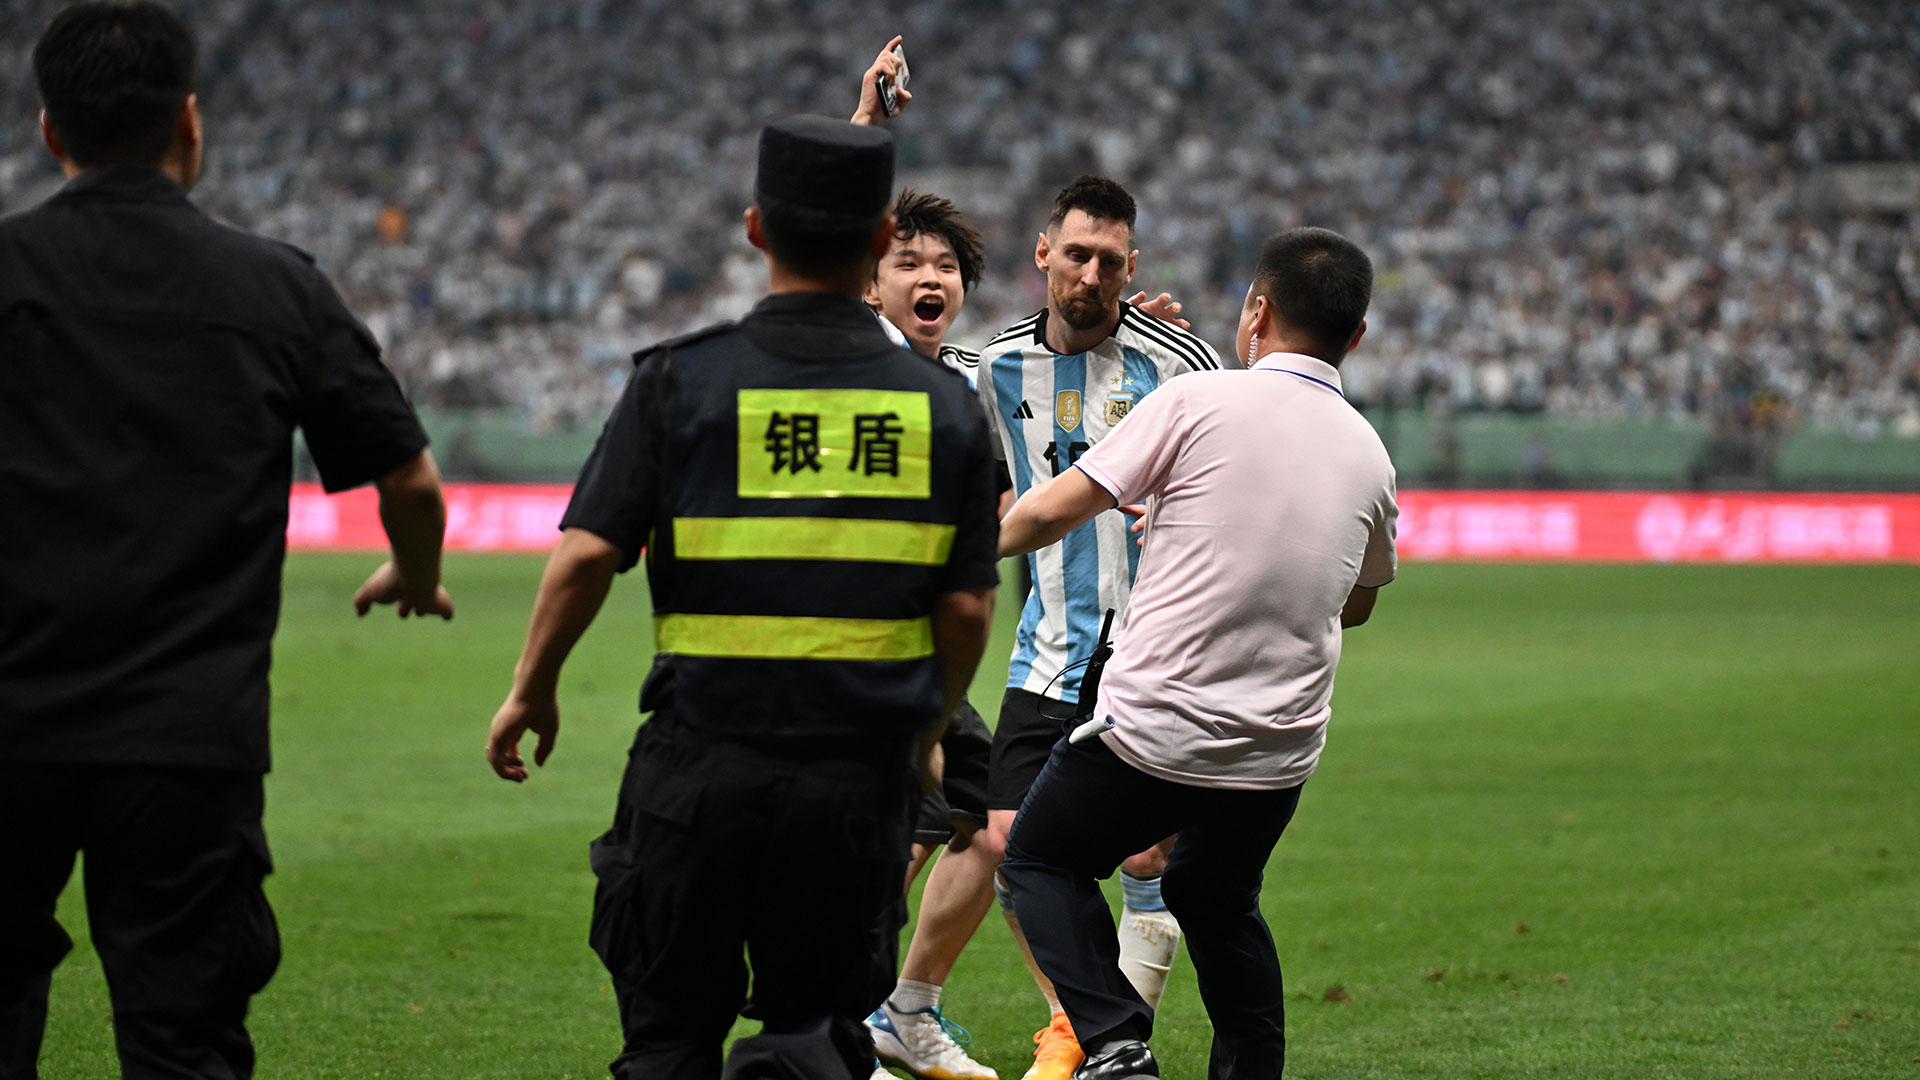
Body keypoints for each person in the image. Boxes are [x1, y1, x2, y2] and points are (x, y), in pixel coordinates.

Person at [482, 115, 1001, 1080]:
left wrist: (533, 685)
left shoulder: (680, 380)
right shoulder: (944, 410)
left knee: (668, 1041)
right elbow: (968, 609)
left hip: (695, 778)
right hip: (852, 788)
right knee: (815, 1041)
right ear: (883, 238)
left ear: (756, 229)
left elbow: (588, 552)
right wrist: (926, 725)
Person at [0, 3, 452, 1077]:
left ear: (52, 132)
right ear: (190, 124)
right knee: (185, 1034)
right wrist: (417, 572)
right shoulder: (273, 286)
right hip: (185, 743)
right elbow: (410, 477)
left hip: (8, 725)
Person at [995, 227, 1398, 1080]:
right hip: (1275, 753)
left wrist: (954, 552)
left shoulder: (1198, 401)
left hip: (1156, 732)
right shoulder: (1370, 454)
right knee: (1215, 899)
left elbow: (1049, 511)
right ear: (1355, 338)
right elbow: (1356, 601)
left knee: (1037, 859)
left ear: (1257, 313)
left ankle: (1112, 1043)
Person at [971, 174, 1224, 1080]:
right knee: (1011, 847)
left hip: (1152, 646)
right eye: (1075, 255)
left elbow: (1231, 458)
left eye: (1109, 262)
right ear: (1043, 253)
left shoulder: (1182, 361)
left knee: (1141, 850)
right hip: (1049, 640)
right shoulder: (994, 369)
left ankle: (1099, 1041)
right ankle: (1083, 1022)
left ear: (1132, 269)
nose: (1090, 275)